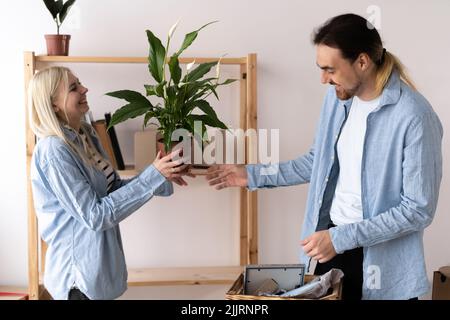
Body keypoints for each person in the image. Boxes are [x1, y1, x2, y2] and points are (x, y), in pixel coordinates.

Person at [206, 14, 442, 300]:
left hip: (383, 266)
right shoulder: (338, 98)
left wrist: (341, 238)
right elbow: (317, 162)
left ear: (363, 62)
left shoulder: (414, 116)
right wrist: (252, 175)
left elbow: (417, 209)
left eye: (330, 69)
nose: (323, 79)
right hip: (330, 247)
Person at [28, 66, 192, 300]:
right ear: (53, 104)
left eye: (80, 83)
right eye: (74, 88)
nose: (85, 89)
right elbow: (95, 216)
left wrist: (160, 175)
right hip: (79, 281)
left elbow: (112, 189)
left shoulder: (86, 134)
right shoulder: (54, 151)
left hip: (100, 275)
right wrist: (152, 175)